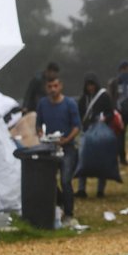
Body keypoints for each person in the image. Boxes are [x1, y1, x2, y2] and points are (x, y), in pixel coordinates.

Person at [35, 76, 82, 227]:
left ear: (60, 86)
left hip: (67, 148)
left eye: (55, 86)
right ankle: (57, 207)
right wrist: (42, 136)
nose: (53, 89)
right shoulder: (43, 104)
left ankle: (69, 214)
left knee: (66, 180)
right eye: (50, 86)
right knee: (49, 180)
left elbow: (77, 126)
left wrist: (66, 139)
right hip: (50, 148)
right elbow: (38, 125)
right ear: (46, 88)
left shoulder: (69, 104)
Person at [76, 72, 113, 198]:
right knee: (83, 160)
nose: (90, 88)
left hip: (100, 134)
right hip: (87, 132)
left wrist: (104, 119)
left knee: (101, 160)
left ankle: (100, 190)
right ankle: (81, 189)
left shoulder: (103, 97)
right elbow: (79, 114)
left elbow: (111, 113)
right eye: (88, 85)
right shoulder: (83, 99)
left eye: (92, 85)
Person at [107, 61, 128, 165]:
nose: (127, 71)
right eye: (126, 69)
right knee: (123, 137)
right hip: (122, 113)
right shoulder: (115, 82)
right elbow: (111, 96)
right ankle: (123, 158)